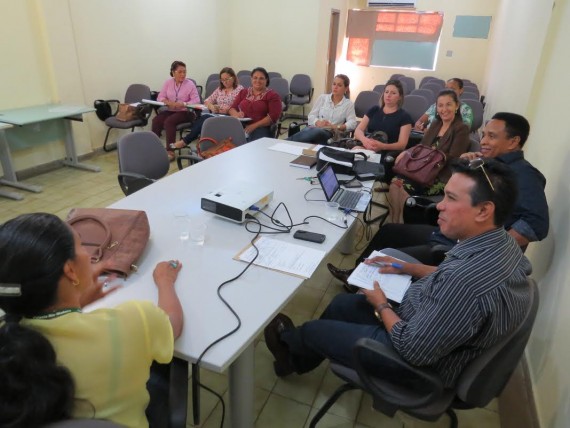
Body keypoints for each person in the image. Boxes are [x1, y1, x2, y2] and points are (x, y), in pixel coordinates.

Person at [265, 159, 531, 390]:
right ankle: (295, 361)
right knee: (342, 304)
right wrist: (406, 267)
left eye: (451, 199)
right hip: (427, 321)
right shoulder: (501, 243)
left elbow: (412, 349)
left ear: (484, 210)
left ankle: (290, 344)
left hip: (418, 365)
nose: (440, 206)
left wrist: (381, 303)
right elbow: (449, 274)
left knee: (314, 330)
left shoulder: (466, 284)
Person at [0, 213, 184, 428]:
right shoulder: (134, 320)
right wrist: (165, 281)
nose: (89, 256)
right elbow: (173, 323)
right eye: (81, 245)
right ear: (70, 271)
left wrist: (76, 303)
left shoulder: (11, 345)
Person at [327, 112, 549, 288]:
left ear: (514, 142)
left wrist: (484, 251)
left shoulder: (524, 174)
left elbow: (536, 223)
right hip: (450, 235)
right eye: (484, 135)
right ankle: (355, 277)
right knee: (389, 231)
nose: (484, 141)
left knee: (386, 258)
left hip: (459, 250)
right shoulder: (490, 164)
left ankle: (365, 288)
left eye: (492, 136)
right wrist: (465, 165)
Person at [387, 89, 471, 223]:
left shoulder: (461, 128)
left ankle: (402, 222)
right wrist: (407, 152)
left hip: (440, 175)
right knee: (394, 183)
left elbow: (455, 158)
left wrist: (431, 156)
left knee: (401, 187)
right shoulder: (436, 124)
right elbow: (421, 145)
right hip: (421, 169)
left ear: (457, 106)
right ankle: (394, 220)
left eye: (448, 104)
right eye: (440, 105)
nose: (444, 109)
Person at [171, 67, 244, 149]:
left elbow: (238, 106)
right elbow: (207, 101)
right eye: (222, 80)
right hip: (217, 115)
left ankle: (185, 141)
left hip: (230, 117)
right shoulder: (220, 89)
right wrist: (212, 106)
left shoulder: (239, 89)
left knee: (206, 118)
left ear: (233, 77)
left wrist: (225, 109)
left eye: (227, 79)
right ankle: (195, 144)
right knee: (203, 118)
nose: (225, 82)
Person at [286, 74, 357, 145]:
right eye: (334, 84)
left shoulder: (348, 104)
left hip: (331, 135)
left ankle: (285, 142)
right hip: (315, 129)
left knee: (314, 131)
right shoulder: (322, 98)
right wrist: (318, 122)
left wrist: (336, 126)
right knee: (309, 131)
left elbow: (352, 123)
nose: (335, 87)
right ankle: (287, 144)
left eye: (339, 85)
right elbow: (311, 116)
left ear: (346, 88)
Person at [152, 60, 201, 161]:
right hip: (171, 110)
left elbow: (196, 100)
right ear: (173, 72)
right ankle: (154, 148)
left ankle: (170, 151)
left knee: (169, 122)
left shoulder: (190, 84)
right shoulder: (168, 82)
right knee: (156, 120)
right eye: (180, 72)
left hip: (186, 112)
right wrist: (168, 102)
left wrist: (183, 103)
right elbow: (160, 97)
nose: (183, 74)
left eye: (184, 71)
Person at [353, 79, 413, 152]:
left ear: (400, 97)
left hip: (387, 151)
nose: (388, 95)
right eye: (386, 92)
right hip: (368, 146)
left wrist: (382, 146)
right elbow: (358, 130)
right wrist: (365, 140)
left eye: (393, 93)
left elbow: (402, 145)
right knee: (354, 151)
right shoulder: (374, 110)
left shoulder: (405, 117)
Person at [228, 67, 282, 142]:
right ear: (251, 79)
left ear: (266, 80)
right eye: (255, 78)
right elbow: (232, 108)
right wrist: (236, 114)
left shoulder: (273, 95)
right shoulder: (244, 92)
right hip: (240, 125)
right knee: (228, 140)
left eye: (261, 78)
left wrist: (254, 126)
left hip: (261, 128)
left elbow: (273, 117)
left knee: (251, 147)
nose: (257, 81)